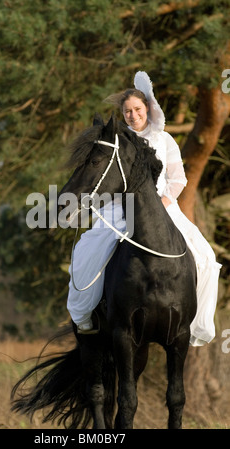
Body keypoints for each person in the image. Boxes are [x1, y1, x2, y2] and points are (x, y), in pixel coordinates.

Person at [67, 71, 221, 347]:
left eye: (137, 109)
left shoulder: (165, 140)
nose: (133, 115)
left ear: (148, 108)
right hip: (120, 210)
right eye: (127, 111)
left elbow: (179, 179)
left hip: (164, 210)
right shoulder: (117, 143)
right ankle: (85, 315)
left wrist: (162, 204)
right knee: (86, 251)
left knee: (207, 258)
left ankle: (198, 322)